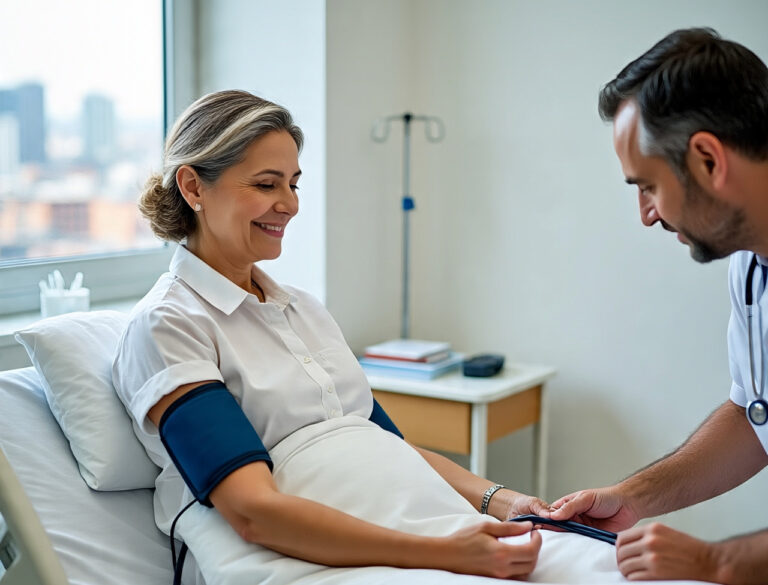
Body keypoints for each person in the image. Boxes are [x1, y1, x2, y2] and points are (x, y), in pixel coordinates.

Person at [112, 89, 547, 583]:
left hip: (419, 530)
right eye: (266, 184)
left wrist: (505, 501)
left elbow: (385, 443)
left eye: (293, 184)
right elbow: (253, 513)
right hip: (301, 561)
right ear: (193, 187)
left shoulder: (302, 309)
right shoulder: (171, 325)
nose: (290, 205)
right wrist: (442, 553)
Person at [548, 28, 768, 584]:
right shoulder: (751, 264)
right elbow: (754, 416)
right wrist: (631, 498)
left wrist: (716, 562)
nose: (647, 214)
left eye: (647, 185)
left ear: (707, 159)